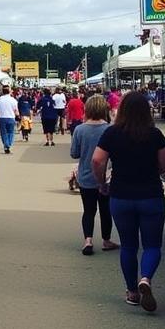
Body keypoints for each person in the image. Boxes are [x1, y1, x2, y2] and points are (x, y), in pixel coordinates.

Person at [91, 91, 165, 312]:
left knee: (128, 245)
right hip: (151, 196)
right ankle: (145, 278)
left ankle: (132, 292)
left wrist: (102, 183)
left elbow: (97, 160)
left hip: (121, 196)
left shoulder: (112, 133)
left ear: (122, 110)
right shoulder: (155, 135)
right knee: (152, 245)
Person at [70, 94, 117, 255]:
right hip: (107, 175)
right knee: (106, 209)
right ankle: (106, 240)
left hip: (85, 176)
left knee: (88, 210)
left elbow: (74, 153)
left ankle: (88, 240)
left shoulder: (80, 129)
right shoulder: (111, 129)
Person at [0, 84, 19, 154]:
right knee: (11, 132)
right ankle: (8, 144)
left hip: (2, 118)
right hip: (11, 118)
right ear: (9, 91)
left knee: (3, 133)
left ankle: (6, 144)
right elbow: (16, 110)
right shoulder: (13, 100)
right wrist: (18, 116)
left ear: (2, 92)